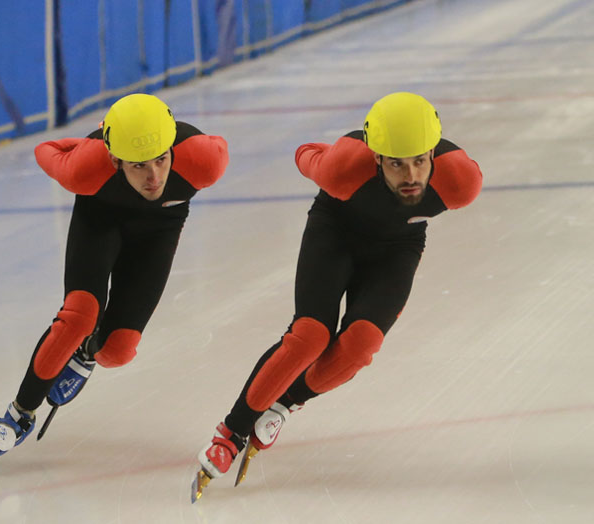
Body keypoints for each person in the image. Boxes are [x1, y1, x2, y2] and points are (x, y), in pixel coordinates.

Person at [192, 91, 483, 500]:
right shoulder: (343, 167)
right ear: (376, 157)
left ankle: (284, 403)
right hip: (336, 233)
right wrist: (327, 155)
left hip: (397, 249)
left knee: (360, 345)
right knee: (310, 336)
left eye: (420, 161)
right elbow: (304, 152)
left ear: (433, 152)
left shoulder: (461, 182)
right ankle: (230, 434)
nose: (411, 175)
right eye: (396, 163)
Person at [0, 93, 229, 475]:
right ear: (115, 159)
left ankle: (87, 351)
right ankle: (19, 413)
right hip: (100, 219)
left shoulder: (203, 160)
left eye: (161, 159)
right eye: (139, 165)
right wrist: (87, 143)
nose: (154, 177)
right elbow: (46, 149)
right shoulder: (84, 168)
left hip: (159, 230)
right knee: (79, 315)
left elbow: (218, 145)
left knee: (118, 352)